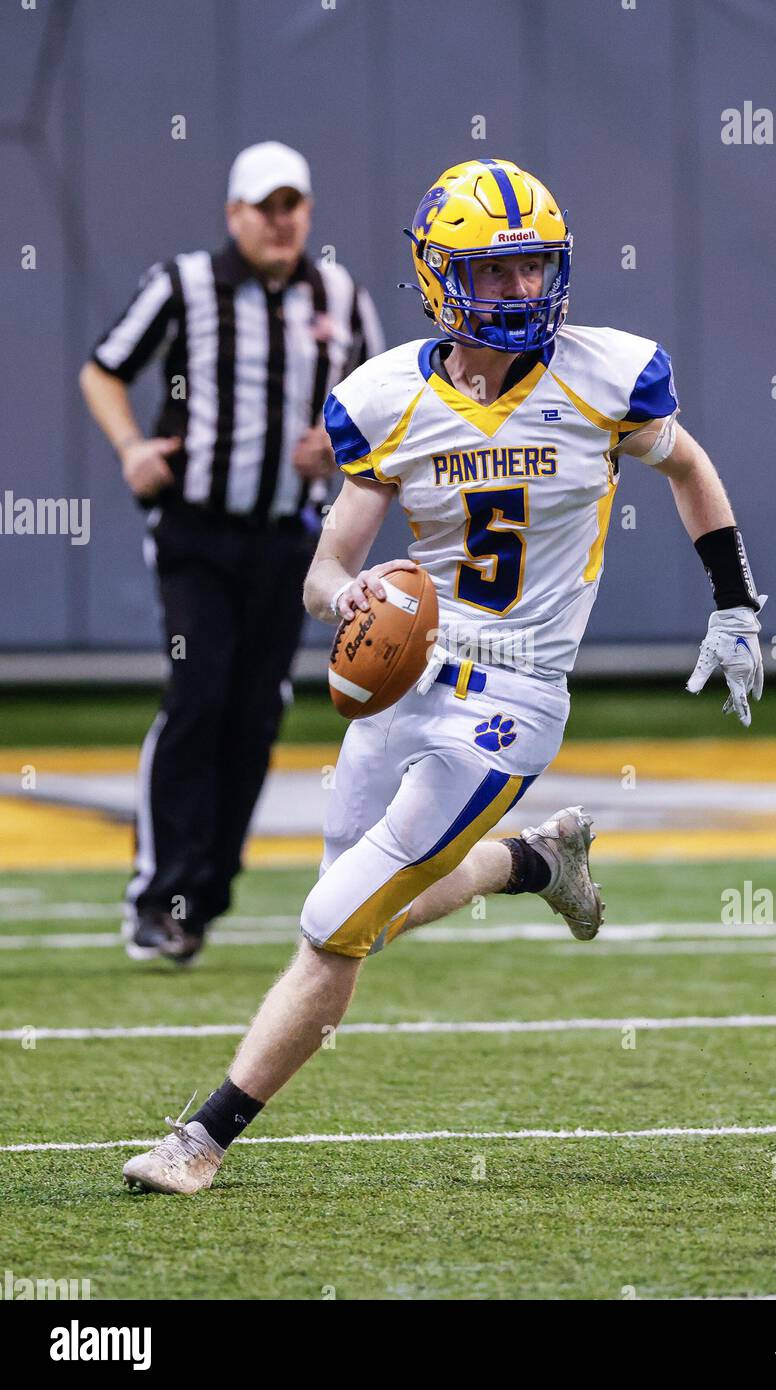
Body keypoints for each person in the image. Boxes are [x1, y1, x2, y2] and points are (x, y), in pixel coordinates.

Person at [121, 158, 765, 1194]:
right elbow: (327, 568)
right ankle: (536, 865)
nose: (520, 290)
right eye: (494, 271)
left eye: (533, 268)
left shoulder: (606, 375)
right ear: (439, 276)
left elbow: (687, 465)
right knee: (364, 911)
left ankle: (201, 1140)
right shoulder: (384, 396)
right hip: (412, 674)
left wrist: (733, 599)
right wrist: (353, 600)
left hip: (515, 698)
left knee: (337, 920)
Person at [79, 141, 384, 964]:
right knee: (200, 693)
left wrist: (339, 450)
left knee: (255, 714)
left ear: (307, 213)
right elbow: (103, 371)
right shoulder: (183, 285)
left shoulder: (343, 297)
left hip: (291, 538)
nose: (282, 221)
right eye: (266, 206)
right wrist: (131, 449)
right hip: (197, 531)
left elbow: (377, 412)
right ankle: (159, 892)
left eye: (295, 205)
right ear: (234, 215)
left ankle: (203, 895)